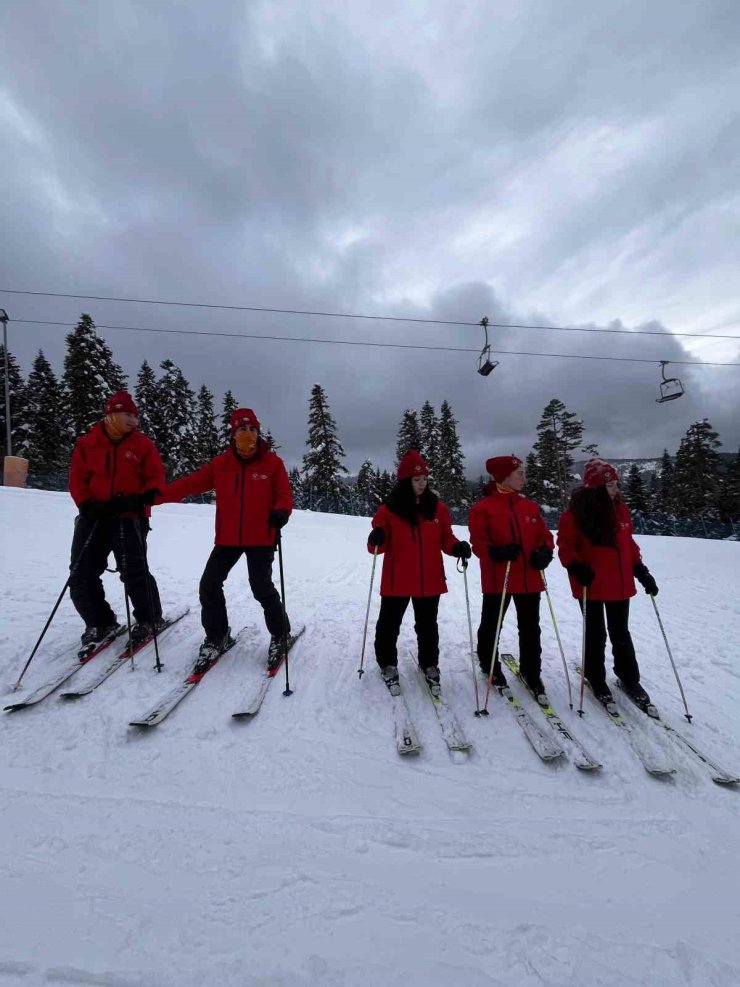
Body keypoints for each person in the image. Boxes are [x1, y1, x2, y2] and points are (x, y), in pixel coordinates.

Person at [155, 407, 293, 668]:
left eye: (252, 429)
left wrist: (281, 512)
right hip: (228, 538)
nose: (248, 434)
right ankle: (217, 636)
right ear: (233, 433)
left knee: (261, 587)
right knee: (209, 584)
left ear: (258, 432)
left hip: (261, 537)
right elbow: (191, 484)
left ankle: (280, 634)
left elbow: (284, 494)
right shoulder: (221, 464)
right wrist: (156, 496)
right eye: (242, 429)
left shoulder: (272, 463)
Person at [367, 449, 470, 696]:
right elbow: (374, 547)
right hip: (397, 580)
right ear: (405, 481)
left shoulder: (438, 509)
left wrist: (457, 547)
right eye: (416, 479)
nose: (422, 483)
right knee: (389, 625)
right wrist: (376, 537)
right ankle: (387, 663)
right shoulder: (388, 510)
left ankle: (429, 664)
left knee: (427, 626)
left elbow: (445, 538)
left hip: (429, 580)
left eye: (424, 478)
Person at [557, 458, 659, 707]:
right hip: (589, 584)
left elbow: (628, 543)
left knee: (620, 632)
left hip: (620, 584)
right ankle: (596, 677)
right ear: (597, 487)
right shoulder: (575, 514)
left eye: (617, 484)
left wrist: (640, 569)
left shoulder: (620, 509)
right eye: (611, 485)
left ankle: (628, 678)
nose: (616, 490)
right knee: (595, 634)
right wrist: (576, 566)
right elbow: (565, 546)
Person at [68, 390, 165, 649]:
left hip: (130, 517)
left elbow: (156, 479)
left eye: (135, 415)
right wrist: (86, 503)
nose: (134, 420)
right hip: (93, 516)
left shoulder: (143, 445)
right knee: (81, 572)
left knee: (133, 570)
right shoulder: (87, 443)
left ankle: (149, 618)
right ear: (111, 415)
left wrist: (139, 499)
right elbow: (77, 479)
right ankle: (99, 621)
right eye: (128, 415)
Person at [468, 455, 555, 699]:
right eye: (520, 474)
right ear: (505, 476)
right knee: (492, 625)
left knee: (530, 628)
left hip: (529, 577)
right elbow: (478, 543)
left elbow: (545, 536)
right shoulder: (483, 508)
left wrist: (545, 552)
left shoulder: (529, 506)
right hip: (500, 579)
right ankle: (489, 664)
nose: (524, 479)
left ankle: (531, 671)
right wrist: (495, 551)